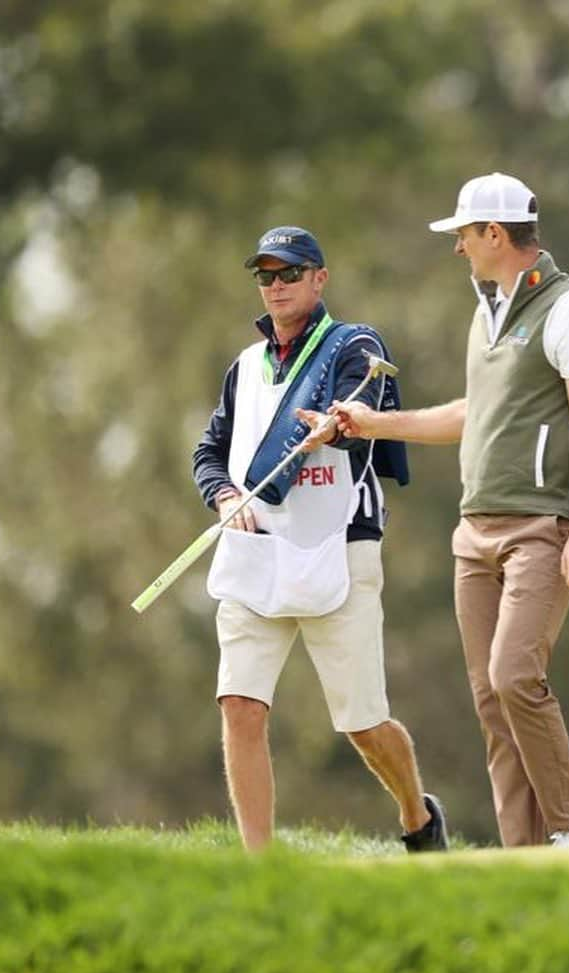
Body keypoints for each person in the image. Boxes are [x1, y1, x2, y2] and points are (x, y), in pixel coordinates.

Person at [328, 174, 569, 847]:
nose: (457, 248)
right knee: (492, 703)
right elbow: (470, 416)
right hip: (474, 532)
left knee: (515, 674)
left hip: (542, 529)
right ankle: (524, 853)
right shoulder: (486, 315)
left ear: (494, 233)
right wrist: (373, 424)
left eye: (463, 233)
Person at [192, 225, 447, 854]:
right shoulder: (245, 368)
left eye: (290, 274)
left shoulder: (353, 345)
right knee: (240, 705)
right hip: (258, 550)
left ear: (318, 279)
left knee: (362, 723)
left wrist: (334, 431)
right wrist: (225, 496)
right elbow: (209, 452)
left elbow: (360, 419)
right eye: (266, 276)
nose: (276, 286)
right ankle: (261, 864)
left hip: (340, 544)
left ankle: (418, 817)